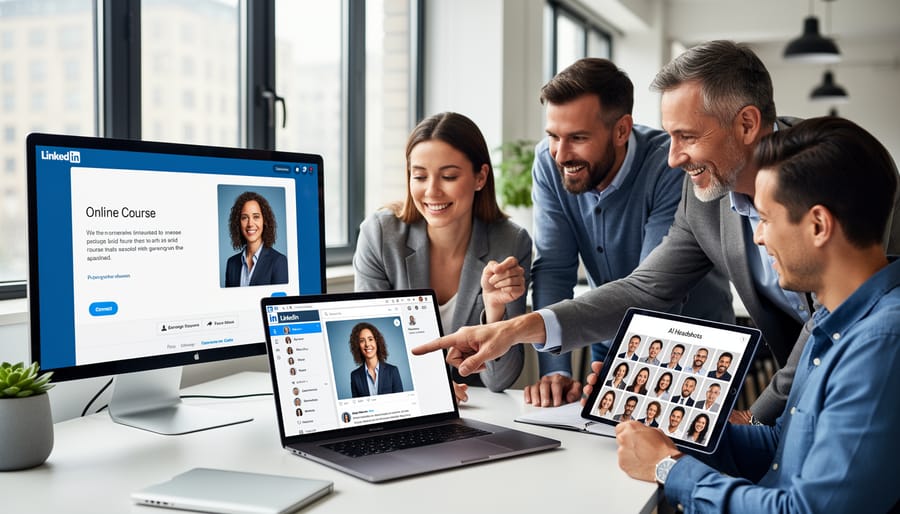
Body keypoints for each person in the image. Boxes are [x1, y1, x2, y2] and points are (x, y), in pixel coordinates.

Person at [412, 41, 900, 426]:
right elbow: (647, 287)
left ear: (748, 124)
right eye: (669, 137)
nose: (672, 158)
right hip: (796, 395)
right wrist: (517, 328)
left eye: (687, 137)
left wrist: (755, 418)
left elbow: (839, 316)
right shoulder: (705, 195)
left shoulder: (837, 171)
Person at [614, 117, 900, 511]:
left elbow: (805, 510)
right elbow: (780, 447)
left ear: (818, 225)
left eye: (765, 219)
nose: (758, 236)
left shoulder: (881, 343)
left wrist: (668, 466)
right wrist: (673, 427)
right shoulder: (830, 321)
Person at [524, 57, 733, 408]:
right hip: (608, 337)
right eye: (553, 136)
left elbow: (653, 292)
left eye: (577, 138)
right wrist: (556, 370)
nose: (560, 154)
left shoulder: (669, 167)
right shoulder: (548, 161)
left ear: (621, 130)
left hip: (695, 347)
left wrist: (626, 381)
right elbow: (555, 267)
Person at [354, 112, 530, 400]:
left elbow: (501, 380)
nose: (432, 191)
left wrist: (494, 311)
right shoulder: (379, 235)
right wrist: (430, 389)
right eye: (419, 176)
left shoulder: (510, 242)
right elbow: (367, 350)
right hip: (400, 405)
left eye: (448, 176)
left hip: (480, 412)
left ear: (480, 177)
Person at [224, 191, 288, 287]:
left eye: (256, 217)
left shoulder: (278, 262)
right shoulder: (231, 263)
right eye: (245, 217)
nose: (250, 224)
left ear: (264, 221)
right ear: (238, 222)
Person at [349, 322, 404, 398]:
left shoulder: (392, 371)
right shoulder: (355, 376)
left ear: (377, 342)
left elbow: (401, 402)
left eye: (370, 339)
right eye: (362, 341)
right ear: (357, 346)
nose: (367, 344)